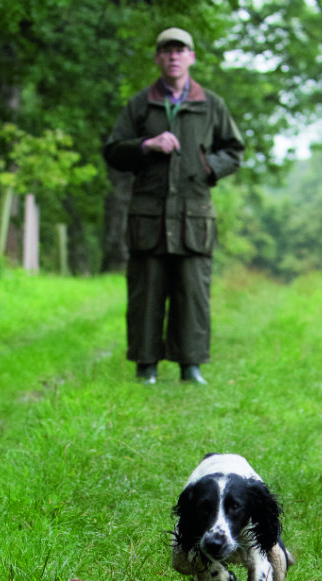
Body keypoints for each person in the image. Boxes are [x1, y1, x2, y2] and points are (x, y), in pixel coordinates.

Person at [103, 27, 244, 385]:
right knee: (145, 293)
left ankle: (190, 365)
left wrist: (208, 166)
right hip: (148, 217)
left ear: (191, 57)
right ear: (157, 58)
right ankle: (145, 366)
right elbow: (113, 150)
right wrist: (146, 145)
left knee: (193, 293)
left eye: (180, 50)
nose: (173, 56)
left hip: (193, 217)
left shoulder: (211, 104)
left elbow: (234, 150)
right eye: (166, 50)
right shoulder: (139, 104)